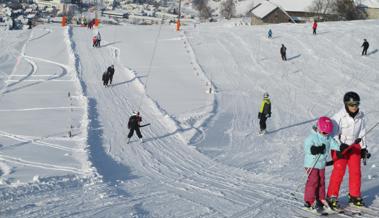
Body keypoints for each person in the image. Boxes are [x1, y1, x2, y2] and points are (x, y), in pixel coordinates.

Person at [326, 91, 370, 209]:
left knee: (356, 171)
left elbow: (362, 133)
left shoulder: (361, 116)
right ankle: (331, 195)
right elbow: (333, 134)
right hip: (341, 146)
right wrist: (339, 146)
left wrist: (364, 148)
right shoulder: (338, 117)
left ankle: (354, 195)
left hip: (354, 146)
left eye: (356, 104)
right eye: (351, 105)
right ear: (346, 104)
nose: (354, 107)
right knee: (339, 170)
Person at [303, 117, 340, 211]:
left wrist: (342, 147)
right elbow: (307, 147)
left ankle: (321, 199)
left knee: (321, 182)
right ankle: (309, 201)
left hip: (321, 165)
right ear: (319, 128)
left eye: (328, 133)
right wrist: (314, 149)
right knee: (313, 182)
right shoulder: (312, 137)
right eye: (324, 132)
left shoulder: (328, 138)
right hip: (312, 164)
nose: (326, 135)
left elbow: (335, 145)